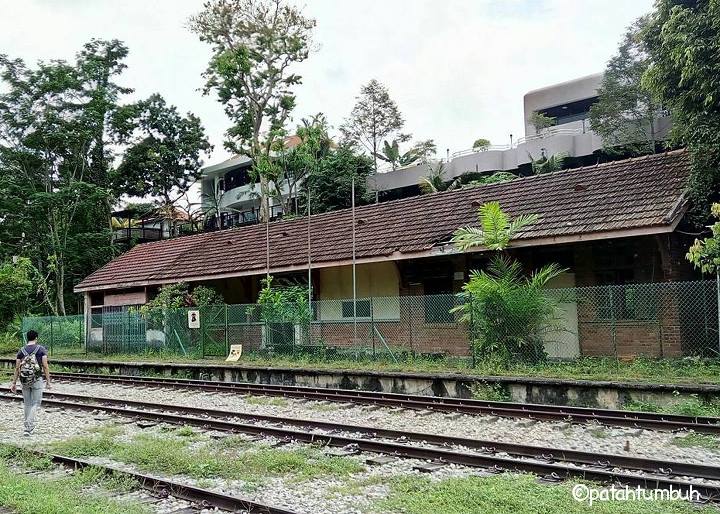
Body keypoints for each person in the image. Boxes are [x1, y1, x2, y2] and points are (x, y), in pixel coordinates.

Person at [10, 330, 51, 436]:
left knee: (27, 403)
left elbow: (17, 368)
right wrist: (48, 381)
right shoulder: (41, 349)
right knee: (36, 403)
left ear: (28, 338)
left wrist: (14, 383)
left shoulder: (21, 351)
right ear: (36, 338)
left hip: (24, 380)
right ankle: (29, 426)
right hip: (37, 379)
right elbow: (45, 366)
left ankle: (26, 428)